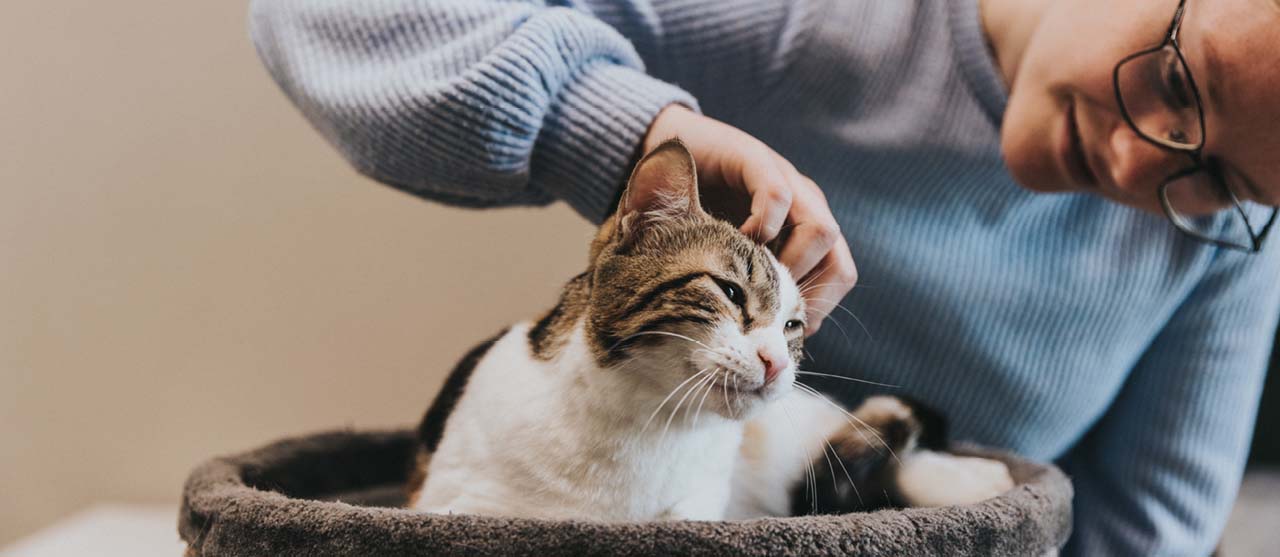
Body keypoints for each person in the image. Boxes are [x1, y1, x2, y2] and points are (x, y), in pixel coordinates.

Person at [248, 0, 1280, 553]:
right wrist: (628, 133)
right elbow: (323, 15)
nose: (1141, 166)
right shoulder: (813, 21)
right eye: (1175, 81)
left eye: (1223, 175)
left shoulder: (1224, 247)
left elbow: (1133, 541)